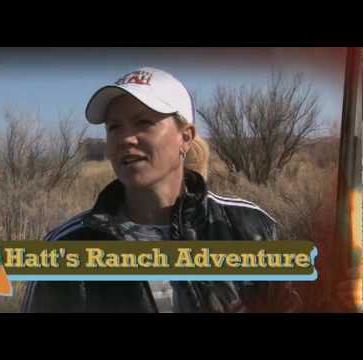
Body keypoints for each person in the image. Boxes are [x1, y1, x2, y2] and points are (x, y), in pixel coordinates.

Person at [21, 67, 301, 313]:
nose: (125, 139)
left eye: (144, 122)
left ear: (186, 137)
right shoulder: (67, 248)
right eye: (114, 127)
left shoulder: (249, 230)